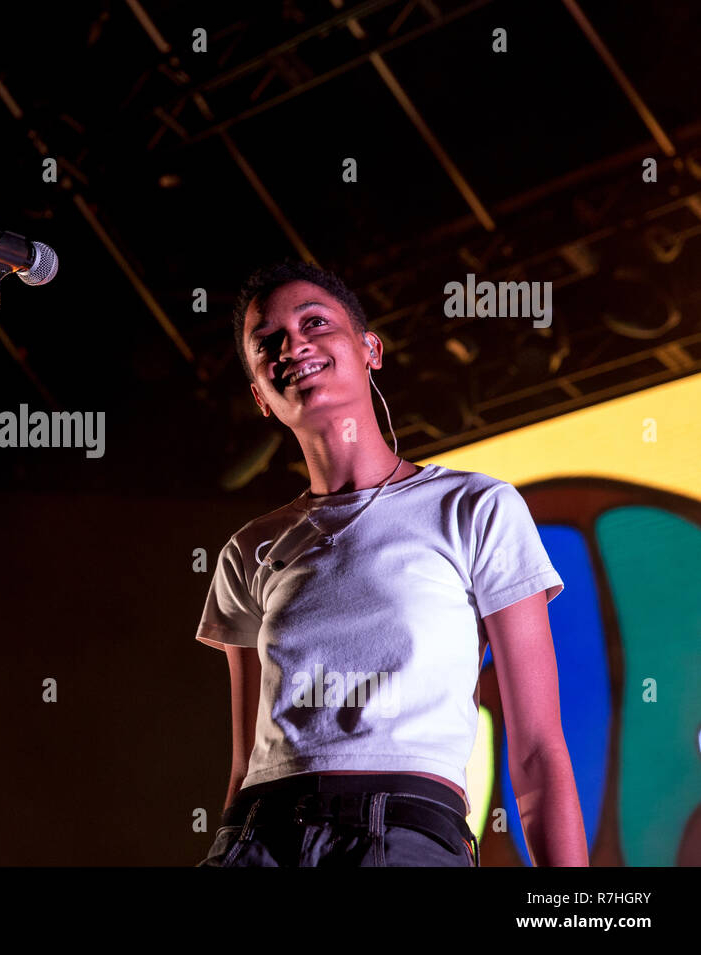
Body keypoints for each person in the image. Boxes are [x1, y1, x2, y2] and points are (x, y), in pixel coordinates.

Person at [195, 260, 588, 867]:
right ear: (261, 397)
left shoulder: (473, 507)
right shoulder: (249, 549)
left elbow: (536, 750)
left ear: (369, 348)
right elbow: (247, 763)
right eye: (267, 343)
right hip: (258, 838)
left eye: (314, 323)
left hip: (401, 832)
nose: (292, 345)